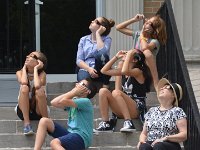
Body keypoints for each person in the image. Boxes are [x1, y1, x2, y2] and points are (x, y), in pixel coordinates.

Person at [94, 49, 152, 133]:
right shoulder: (123, 72)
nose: (125, 55)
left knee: (115, 92)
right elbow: (104, 71)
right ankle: (106, 123)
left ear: (135, 60)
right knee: (103, 91)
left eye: (128, 54)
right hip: (123, 108)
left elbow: (125, 71)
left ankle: (129, 122)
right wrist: (116, 57)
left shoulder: (139, 71)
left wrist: (129, 55)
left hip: (136, 109)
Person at [34, 78, 97, 150]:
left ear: (87, 91)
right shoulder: (74, 101)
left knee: (54, 143)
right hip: (71, 134)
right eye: (79, 83)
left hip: (81, 138)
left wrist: (73, 93)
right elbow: (54, 102)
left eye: (81, 84)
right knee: (44, 121)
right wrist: (73, 92)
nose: (77, 84)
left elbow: (62, 101)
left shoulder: (86, 101)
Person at [116, 14, 167, 91]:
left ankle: (155, 80)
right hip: (134, 64)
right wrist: (134, 19)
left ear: (154, 29)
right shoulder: (138, 34)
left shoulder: (154, 42)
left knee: (147, 52)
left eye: (150, 23)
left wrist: (142, 35)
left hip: (144, 69)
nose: (146, 22)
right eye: (147, 21)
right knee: (120, 63)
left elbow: (144, 48)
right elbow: (118, 27)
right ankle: (118, 91)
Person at [137, 78, 187, 150]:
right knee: (144, 147)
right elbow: (144, 133)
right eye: (161, 87)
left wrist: (165, 138)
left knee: (159, 146)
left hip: (169, 143)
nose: (162, 88)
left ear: (173, 95)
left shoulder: (177, 111)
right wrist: (141, 141)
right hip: (151, 143)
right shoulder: (152, 111)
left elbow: (183, 134)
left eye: (166, 87)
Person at [15, 51, 48, 135]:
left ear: (39, 62)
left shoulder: (42, 74)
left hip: (39, 111)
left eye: (32, 56)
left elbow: (37, 85)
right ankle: (27, 125)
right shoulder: (19, 73)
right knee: (24, 87)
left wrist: (36, 69)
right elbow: (24, 82)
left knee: (39, 91)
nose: (27, 57)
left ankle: (46, 122)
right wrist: (24, 68)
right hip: (23, 112)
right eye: (28, 55)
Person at [76, 17, 115, 88]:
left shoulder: (107, 39)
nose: (92, 21)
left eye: (96, 21)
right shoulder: (83, 39)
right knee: (83, 85)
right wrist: (89, 69)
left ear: (101, 27)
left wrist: (98, 34)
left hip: (101, 71)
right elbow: (79, 60)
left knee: (101, 54)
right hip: (86, 69)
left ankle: (106, 83)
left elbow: (103, 52)